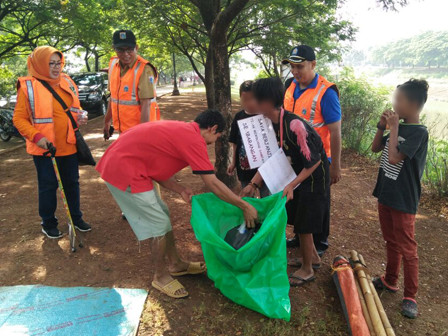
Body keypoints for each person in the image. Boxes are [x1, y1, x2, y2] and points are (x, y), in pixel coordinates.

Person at [96, 109, 258, 298]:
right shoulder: (194, 139)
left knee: (162, 212)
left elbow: (155, 165)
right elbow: (212, 182)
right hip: (123, 169)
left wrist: (179, 189)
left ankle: (176, 264)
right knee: (158, 224)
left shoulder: (185, 132)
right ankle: (160, 276)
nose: (213, 143)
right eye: (217, 137)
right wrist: (245, 206)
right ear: (213, 128)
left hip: (130, 165)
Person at [241, 77, 330, 287]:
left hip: (314, 178)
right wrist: (253, 183)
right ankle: (313, 259)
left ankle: (307, 270)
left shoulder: (295, 126)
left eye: (254, 99)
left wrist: (291, 185)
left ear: (267, 102)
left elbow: (314, 162)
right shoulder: (271, 123)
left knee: (305, 224)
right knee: (297, 217)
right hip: (298, 176)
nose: (250, 104)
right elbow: (272, 156)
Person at [13, 46, 91, 239]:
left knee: (72, 184)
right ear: (40, 64)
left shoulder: (66, 80)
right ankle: (48, 222)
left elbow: (75, 107)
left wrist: (80, 116)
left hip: (69, 145)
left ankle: (76, 218)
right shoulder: (28, 86)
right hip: (45, 149)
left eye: (59, 63)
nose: (56, 68)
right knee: (48, 186)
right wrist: (38, 137)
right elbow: (19, 119)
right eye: (51, 64)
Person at [371, 79, 429, 319]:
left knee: (407, 247)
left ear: (414, 105)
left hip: (404, 199)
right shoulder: (399, 127)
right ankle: (390, 280)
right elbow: (376, 149)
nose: (394, 104)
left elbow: (395, 158)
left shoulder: (418, 132)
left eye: (399, 100)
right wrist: (381, 126)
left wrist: (394, 128)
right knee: (390, 240)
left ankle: (410, 296)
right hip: (386, 193)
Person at [282, 45, 342, 255]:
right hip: (296, 158)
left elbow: (335, 131)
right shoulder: (290, 85)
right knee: (299, 199)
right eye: (292, 67)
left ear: (313, 64)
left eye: (300, 66)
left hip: (319, 159)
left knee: (318, 202)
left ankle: (320, 243)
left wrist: (335, 166)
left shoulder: (326, 92)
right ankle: (300, 238)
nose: (295, 72)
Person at [103, 29, 160, 139]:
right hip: (123, 130)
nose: (125, 54)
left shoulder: (144, 69)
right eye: (120, 50)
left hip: (139, 132)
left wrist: (143, 134)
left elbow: (146, 105)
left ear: (136, 48)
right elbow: (113, 97)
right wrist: (107, 122)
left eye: (129, 49)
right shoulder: (113, 65)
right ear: (113, 48)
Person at [227, 80, 270, 198]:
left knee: (265, 196)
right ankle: (251, 215)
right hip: (244, 167)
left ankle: (266, 217)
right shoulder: (238, 117)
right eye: (245, 99)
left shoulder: (265, 116)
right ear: (240, 98)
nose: (249, 103)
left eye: (252, 98)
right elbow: (235, 143)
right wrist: (233, 162)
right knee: (247, 196)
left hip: (264, 168)